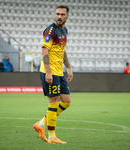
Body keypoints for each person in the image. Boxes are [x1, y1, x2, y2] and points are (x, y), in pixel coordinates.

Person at [33, 5, 73, 144]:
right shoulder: (51, 30)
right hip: (49, 71)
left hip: (59, 71)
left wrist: (68, 66)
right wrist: (48, 73)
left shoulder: (64, 30)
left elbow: (63, 50)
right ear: (55, 15)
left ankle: (41, 124)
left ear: (67, 16)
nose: (59, 16)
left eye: (62, 14)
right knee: (54, 102)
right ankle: (51, 136)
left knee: (66, 102)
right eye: (57, 14)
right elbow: (45, 51)